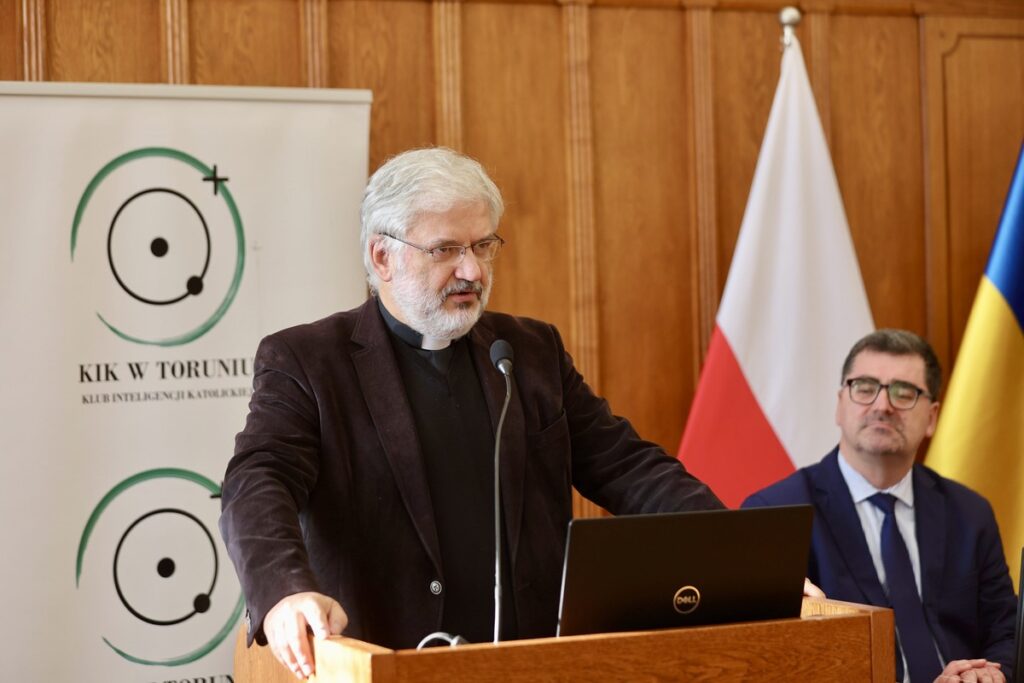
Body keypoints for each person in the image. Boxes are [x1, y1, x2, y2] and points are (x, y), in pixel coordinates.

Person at [219, 147, 724, 679]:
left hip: (535, 663)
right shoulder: (308, 361)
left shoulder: (527, 351)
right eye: (446, 250)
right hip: (388, 663)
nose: (473, 270)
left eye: (484, 245)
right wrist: (285, 591)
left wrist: (732, 556)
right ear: (382, 257)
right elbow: (258, 480)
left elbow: (626, 466)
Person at [743, 329, 1017, 683]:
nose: (882, 405)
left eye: (904, 393)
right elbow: (771, 657)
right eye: (865, 387)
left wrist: (988, 676)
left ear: (932, 417)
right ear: (840, 404)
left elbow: (1006, 630)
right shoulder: (776, 512)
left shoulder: (969, 512)